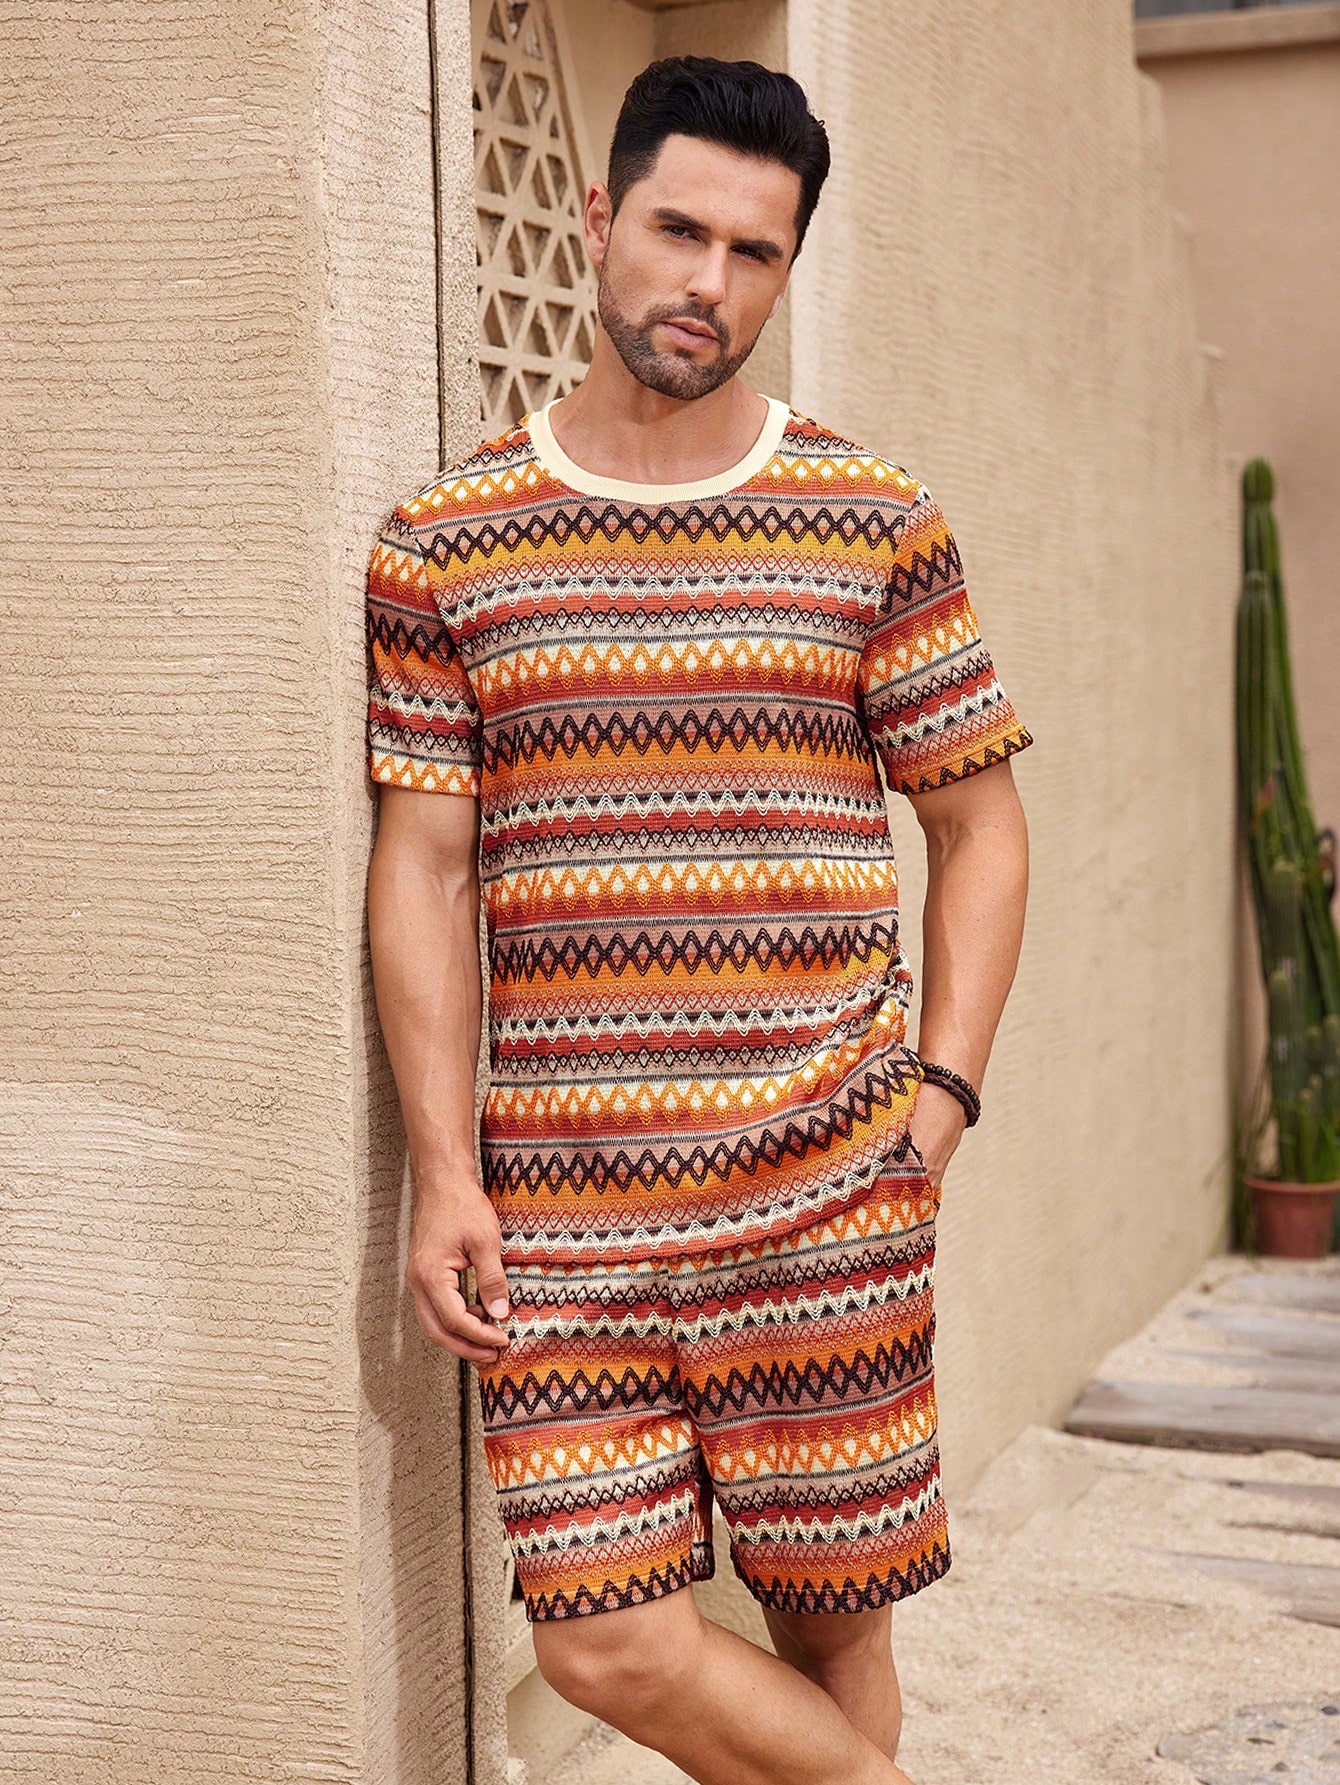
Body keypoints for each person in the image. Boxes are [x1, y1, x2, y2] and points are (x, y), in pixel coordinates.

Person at [365, 54, 1030, 1785]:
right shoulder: (447, 544)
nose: (707, 283)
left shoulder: (872, 521)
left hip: (829, 1188)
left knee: (834, 1623)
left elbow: (978, 825)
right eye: (678, 231)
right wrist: (443, 1169)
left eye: (754, 252)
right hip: (561, 1219)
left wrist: (937, 1105)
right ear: (600, 216)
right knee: (604, 1640)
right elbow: (426, 869)